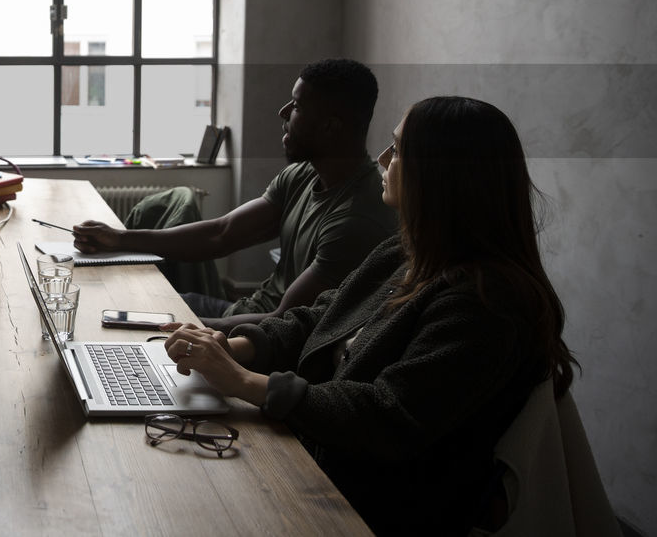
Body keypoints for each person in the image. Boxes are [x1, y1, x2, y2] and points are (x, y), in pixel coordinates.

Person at [163, 96, 577, 536]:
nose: (381, 158)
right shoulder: (404, 253)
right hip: (322, 459)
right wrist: (238, 348)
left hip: (370, 507)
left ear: (442, 175)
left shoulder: (489, 303)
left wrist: (246, 383)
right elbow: (318, 318)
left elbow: (389, 416)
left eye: (397, 149)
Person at [73, 59, 397, 331]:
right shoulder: (303, 175)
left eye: (297, 106)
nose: (283, 113)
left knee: (120, 321)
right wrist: (120, 239)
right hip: (240, 312)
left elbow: (280, 323)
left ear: (331, 126)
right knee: (118, 304)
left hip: (261, 343)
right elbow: (222, 233)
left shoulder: (357, 221)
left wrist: (177, 324)